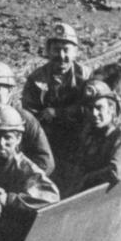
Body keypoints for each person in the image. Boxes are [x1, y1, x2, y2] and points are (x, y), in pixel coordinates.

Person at [22, 22, 91, 161]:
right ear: (48, 51)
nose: (61, 55)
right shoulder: (36, 79)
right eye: (56, 50)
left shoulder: (86, 76)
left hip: (81, 137)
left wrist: (59, 113)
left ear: (75, 52)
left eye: (66, 50)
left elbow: (94, 108)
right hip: (49, 140)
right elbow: (30, 116)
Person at [73, 79, 121, 193]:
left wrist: (87, 179)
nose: (94, 113)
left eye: (99, 108)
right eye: (90, 108)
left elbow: (116, 172)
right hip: (94, 194)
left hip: (117, 195)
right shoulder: (91, 132)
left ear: (111, 108)